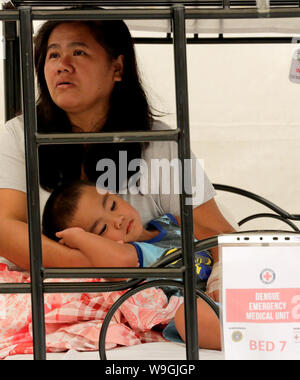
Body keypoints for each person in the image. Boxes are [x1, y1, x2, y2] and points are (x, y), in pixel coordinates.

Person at [0, 17, 235, 301]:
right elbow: (5, 229)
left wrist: (220, 286)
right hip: (46, 299)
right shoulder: (18, 135)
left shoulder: (163, 142)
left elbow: (216, 233)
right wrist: (114, 264)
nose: (62, 64)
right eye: (52, 55)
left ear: (117, 68)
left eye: (78, 52)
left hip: (153, 301)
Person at [42, 180, 221, 350]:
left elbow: (213, 238)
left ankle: (242, 311)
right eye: (102, 229)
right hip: (199, 308)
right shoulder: (129, 255)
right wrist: (78, 238)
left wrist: (220, 278)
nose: (117, 219)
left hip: (226, 286)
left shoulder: (171, 222)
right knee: (189, 317)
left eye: (112, 206)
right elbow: (121, 262)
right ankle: (242, 331)